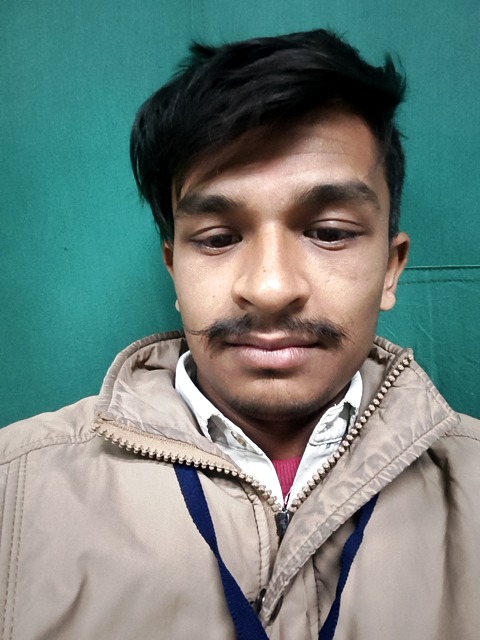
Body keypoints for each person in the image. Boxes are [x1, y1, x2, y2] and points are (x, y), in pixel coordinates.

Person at [0, 28, 478, 640]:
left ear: (390, 268)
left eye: (330, 232)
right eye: (219, 238)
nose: (271, 287)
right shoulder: (15, 491)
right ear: (174, 270)